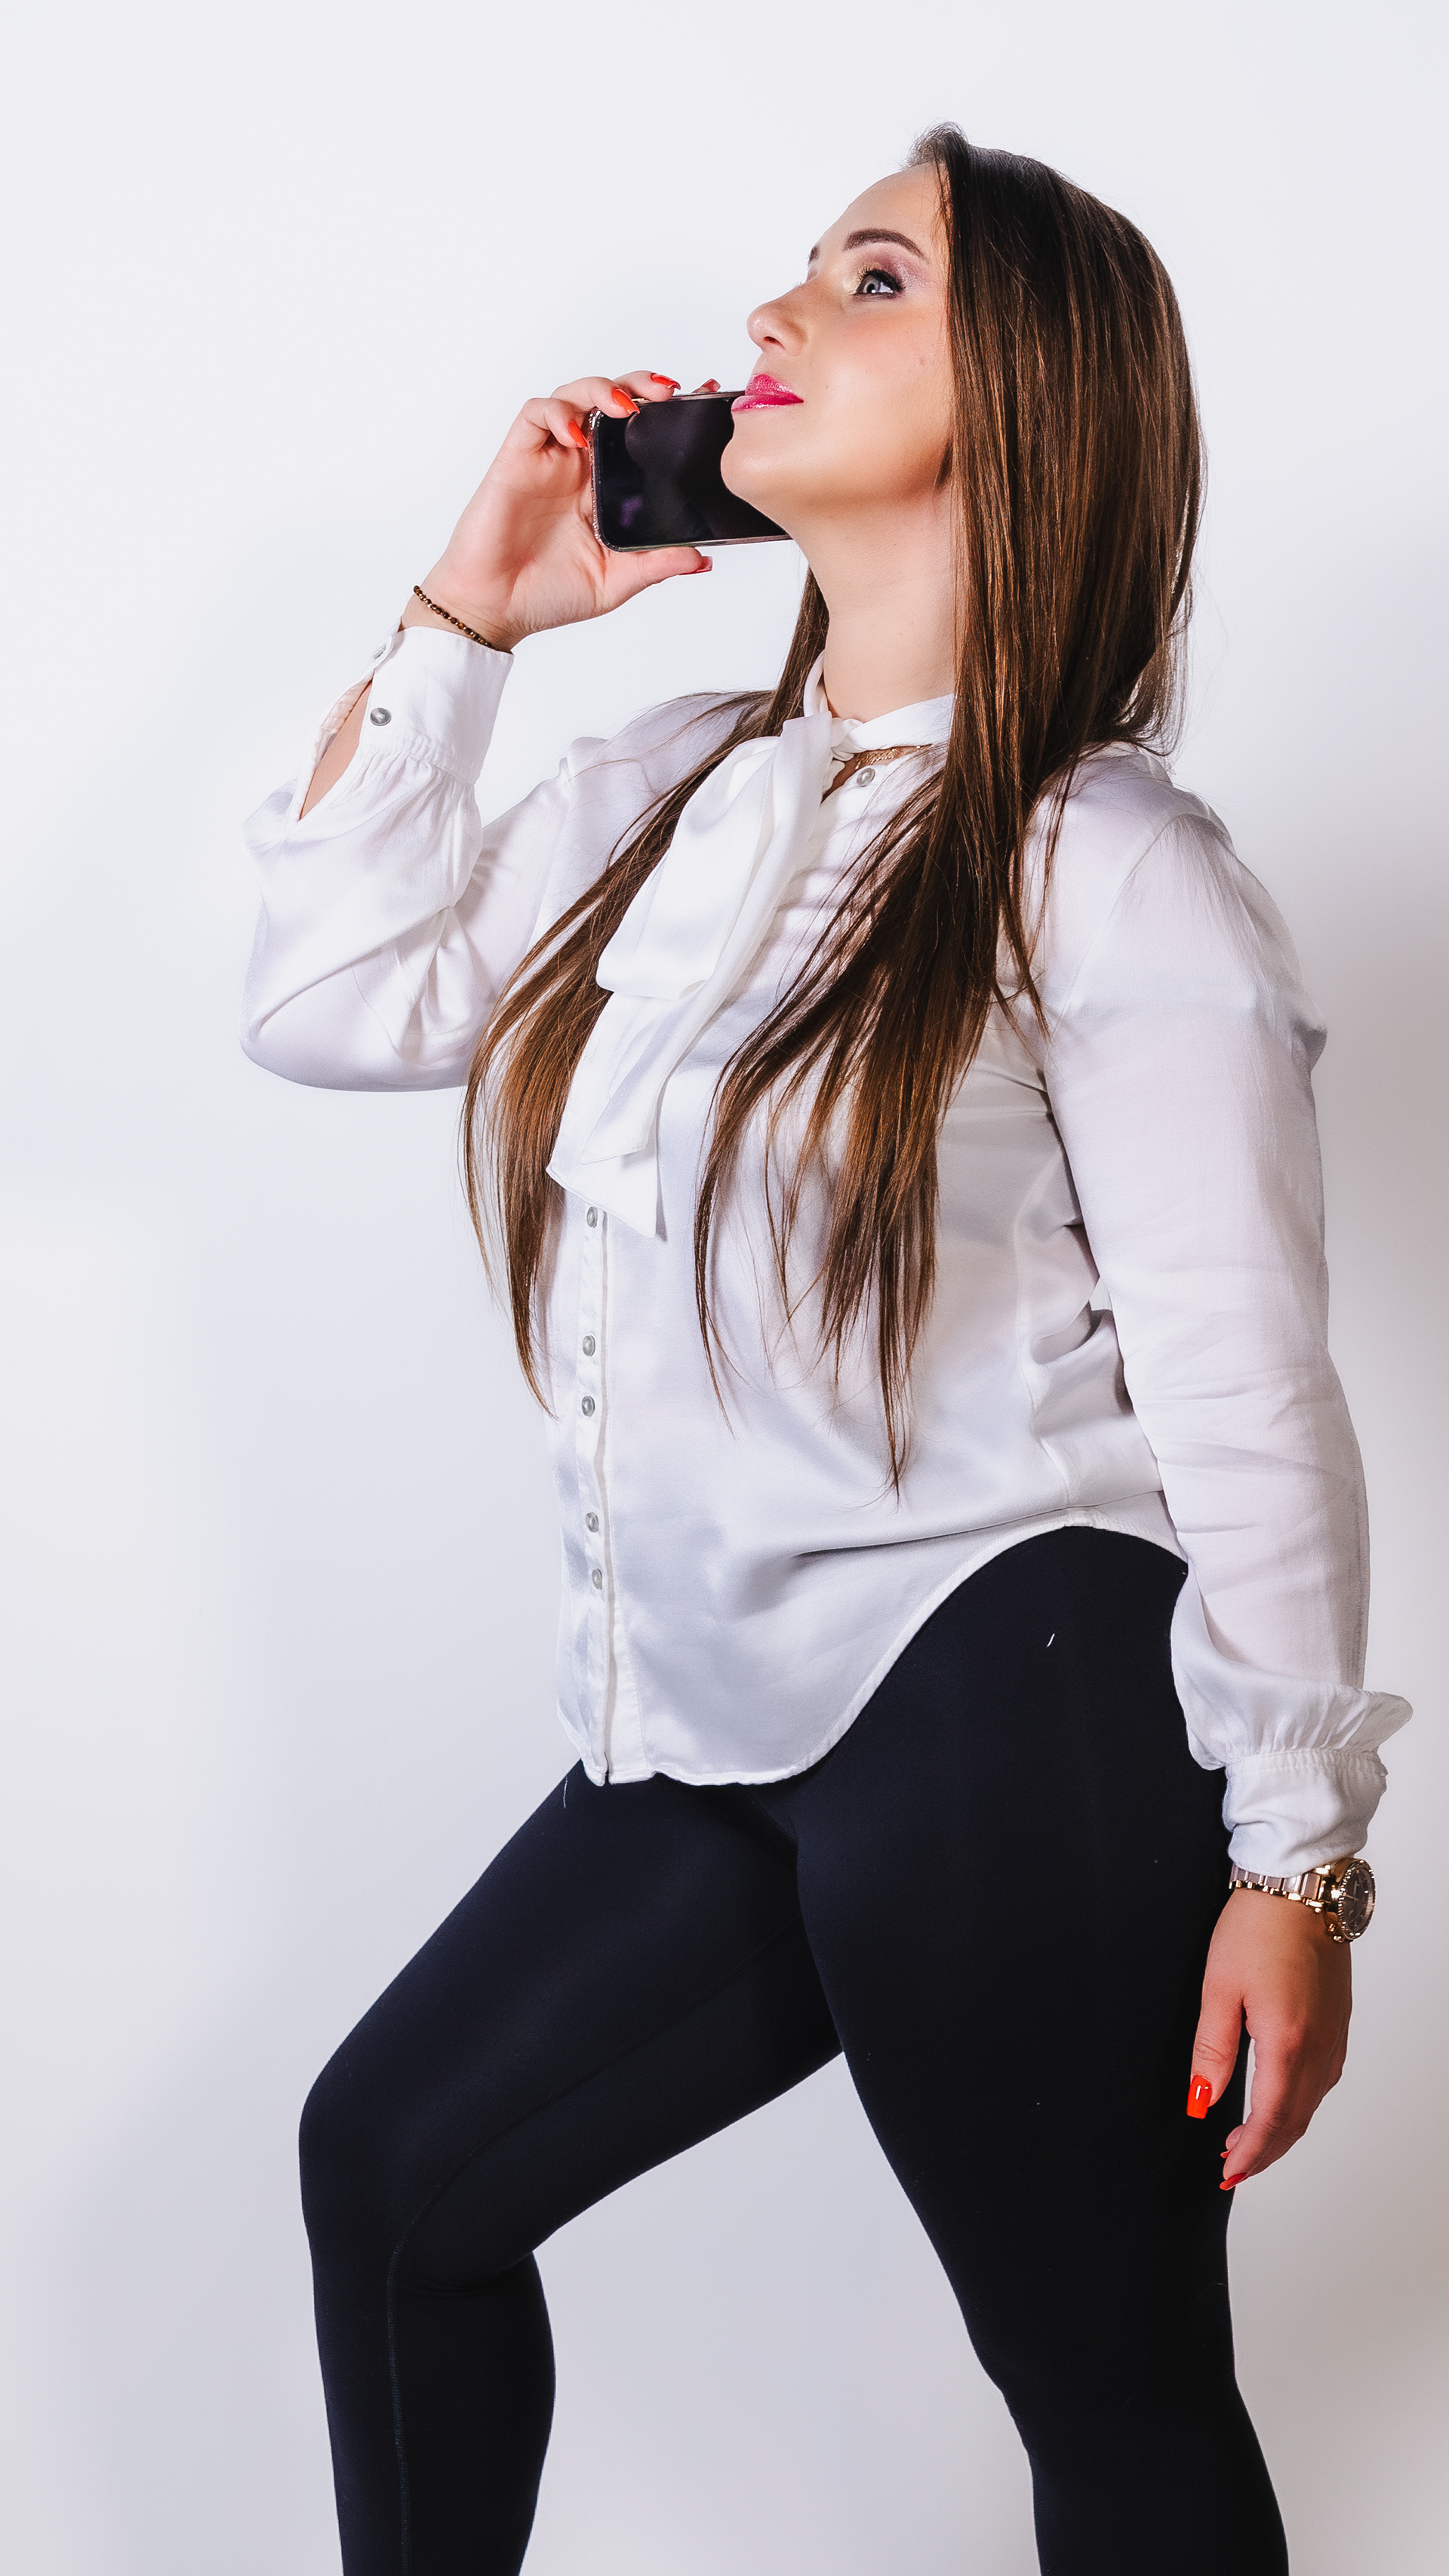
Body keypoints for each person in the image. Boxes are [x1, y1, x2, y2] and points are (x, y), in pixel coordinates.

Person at [242, 125, 1409, 2576]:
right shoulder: (682, 787)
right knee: (399, 2172)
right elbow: (330, 997)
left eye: (872, 280)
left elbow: (1245, 1391)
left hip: (1012, 1705)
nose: (776, 312)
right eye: (803, 269)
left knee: (1105, 2392)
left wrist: (1298, 1858)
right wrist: (468, 622)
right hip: (717, 1723)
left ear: (1028, 402)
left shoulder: (1108, 862)